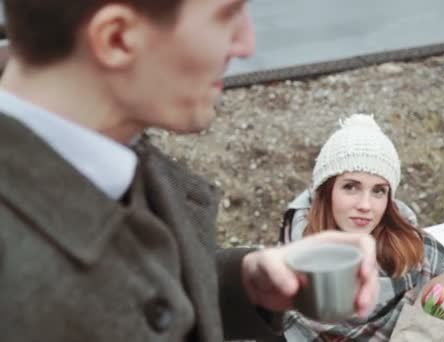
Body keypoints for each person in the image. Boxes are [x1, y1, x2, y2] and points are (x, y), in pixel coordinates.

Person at [0, 1, 379, 341]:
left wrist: (241, 283)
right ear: (116, 38)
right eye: (227, 15)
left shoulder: (105, 153)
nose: (247, 43)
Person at [280, 114, 444, 341]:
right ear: (327, 192)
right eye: (351, 187)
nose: (365, 205)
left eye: (378, 191)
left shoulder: (429, 259)